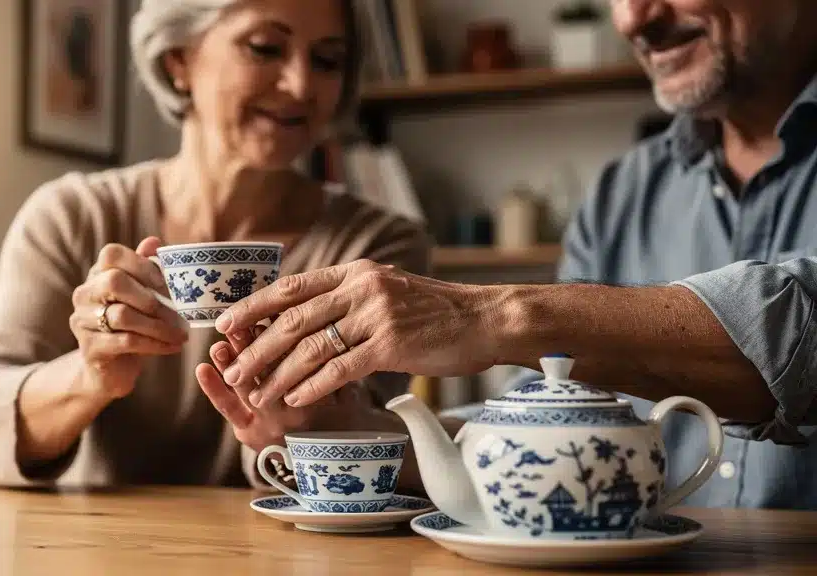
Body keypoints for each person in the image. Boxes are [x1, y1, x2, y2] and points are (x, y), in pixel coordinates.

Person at [208, 0, 817, 509]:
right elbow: (531, 425)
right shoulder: (621, 195)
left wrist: (497, 315)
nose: (633, 17)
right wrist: (356, 436)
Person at [0, 0, 430, 489]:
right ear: (180, 60)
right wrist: (89, 376)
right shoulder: (75, 216)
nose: (300, 84)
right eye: (264, 48)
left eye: (327, 60)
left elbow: (368, 452)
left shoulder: (375, 248)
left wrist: (304, 428)